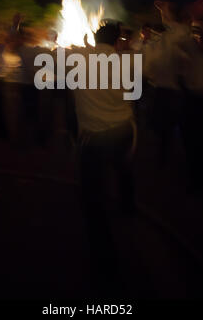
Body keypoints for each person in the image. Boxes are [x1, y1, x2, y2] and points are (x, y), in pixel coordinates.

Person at [70, 22, 137, 295]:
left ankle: (105, 260)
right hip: (124, 129)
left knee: (92, 197)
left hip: (94, 137)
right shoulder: (128, 62)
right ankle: (128, 208)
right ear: (118, 40)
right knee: (124, 170)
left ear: (95, 38)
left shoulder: (76, 58)